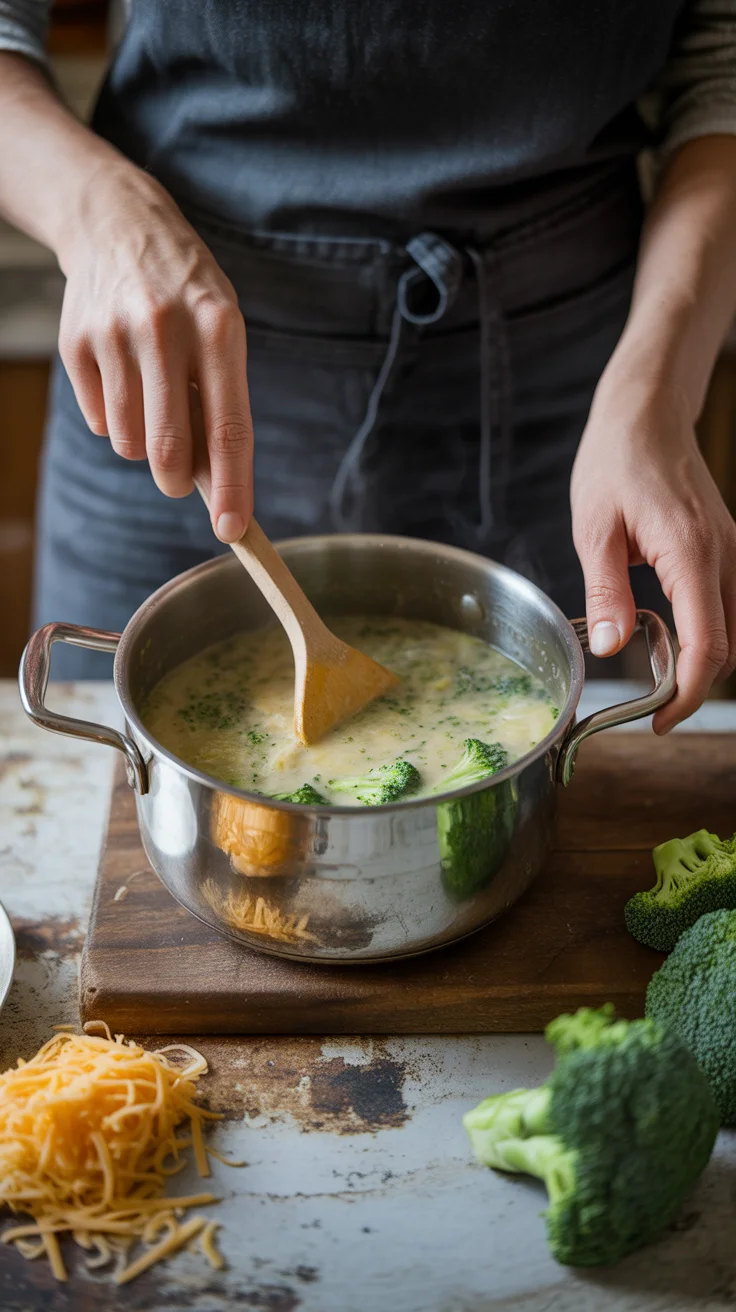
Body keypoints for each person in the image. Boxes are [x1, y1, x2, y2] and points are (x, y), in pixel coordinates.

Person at [1, 2, 736, 733]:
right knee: (101, 777)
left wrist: (657, 396)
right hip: (166, 359)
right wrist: (100, 213)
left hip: (578, 388)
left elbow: (721, 66)